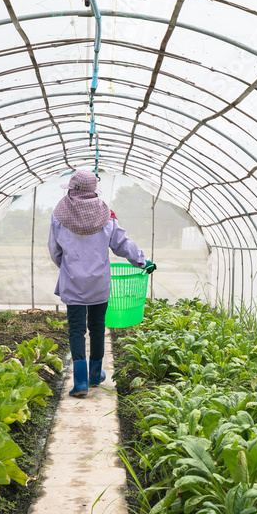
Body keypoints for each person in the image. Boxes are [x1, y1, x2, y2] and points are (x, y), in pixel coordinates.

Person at [48, 169, 156, 397]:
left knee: (76, 330)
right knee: (97, 328)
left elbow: (54, 250)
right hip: (98, 283)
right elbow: (121, 244)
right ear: (93, 190)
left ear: (71, 188)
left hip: (73, 282)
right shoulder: (106, 214)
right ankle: (95, 375)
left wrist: (69, 269)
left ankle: (80, 383)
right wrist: (141, 261)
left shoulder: (59, 214)